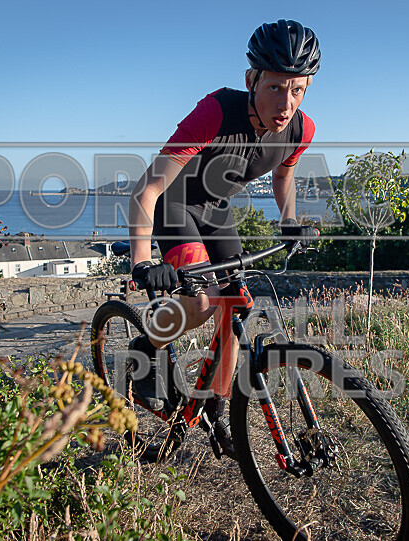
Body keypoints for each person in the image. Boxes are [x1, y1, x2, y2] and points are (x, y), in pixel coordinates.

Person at [127, 19, 321, 457]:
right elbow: (148, 189)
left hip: (215, 209)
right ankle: (146, 346)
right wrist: (142, 261)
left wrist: (289, 220)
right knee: (203, 303)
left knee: (236, 305)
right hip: (175, 205)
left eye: (297, 90)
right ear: (251, 80)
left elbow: (283, 179)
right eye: (275, 88)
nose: (286, 103)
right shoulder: (216, 112)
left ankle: (215, 408)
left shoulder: (301, 130)